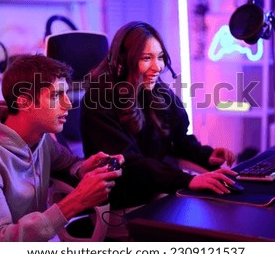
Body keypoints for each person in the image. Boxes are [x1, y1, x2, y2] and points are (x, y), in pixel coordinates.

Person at [0, 55, 123, 241]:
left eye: (66, 93)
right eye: (55, 95)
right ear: (24, 102)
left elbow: (67, 162)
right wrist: (77, 201)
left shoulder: (42, 138)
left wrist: (82, 168)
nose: (68, 103)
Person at [80, 21, 238, 209]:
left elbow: (178, 140)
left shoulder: (156, 92)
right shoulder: (98, 100)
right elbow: (130, 165)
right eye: (147, 58)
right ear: (123, 61)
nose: (158, 67)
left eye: (160, 57)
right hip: (125, 202)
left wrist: (206, 155)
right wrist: (186, 181)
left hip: (158, 190)